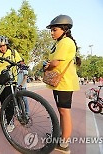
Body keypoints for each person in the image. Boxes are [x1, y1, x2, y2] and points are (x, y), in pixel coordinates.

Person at [45, 15, 80, 153]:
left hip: (64, 82)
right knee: (62, 111)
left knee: (65, 112)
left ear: (64, 29)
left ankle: (64, 144)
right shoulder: (59, 43)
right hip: (59, 83)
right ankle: (62, 136)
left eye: (54, 30)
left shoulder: (65, 42)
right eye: (51, 30)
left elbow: (55, 63)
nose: (52, 33)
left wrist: (47, 67)